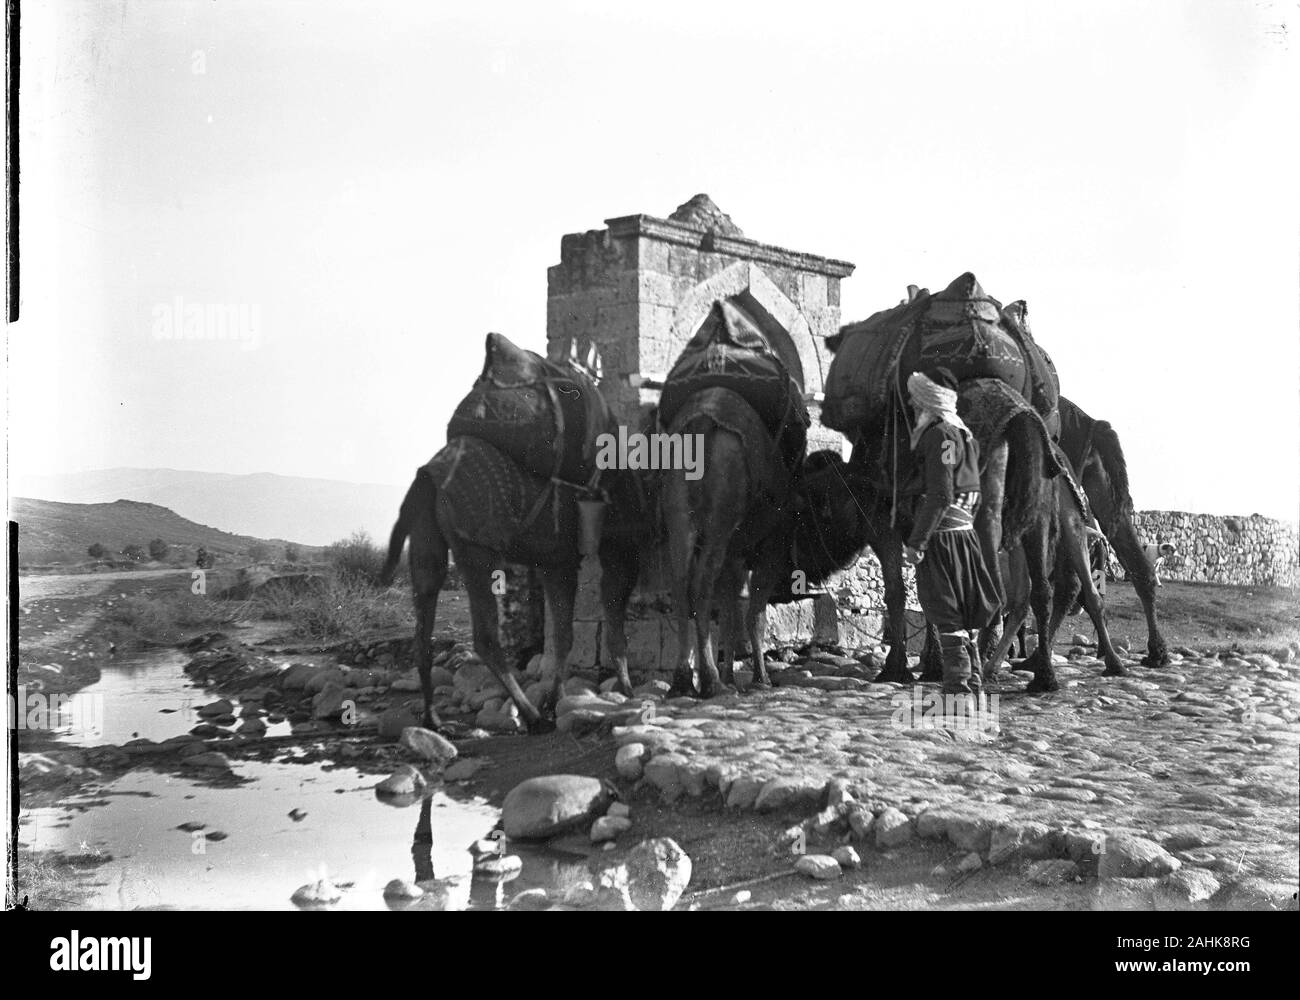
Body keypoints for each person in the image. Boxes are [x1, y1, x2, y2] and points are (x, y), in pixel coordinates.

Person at [900, 368, 1002, 707]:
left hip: (943, 538)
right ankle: (973, 682)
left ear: (929, 400)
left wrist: (918, 541)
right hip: (965, 535)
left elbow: (941, 495)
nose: (913, 405)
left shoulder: (939, 436)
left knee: (945, 608)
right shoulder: (964, 436)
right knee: (963, 610)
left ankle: (958, 686)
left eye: (916, 398)